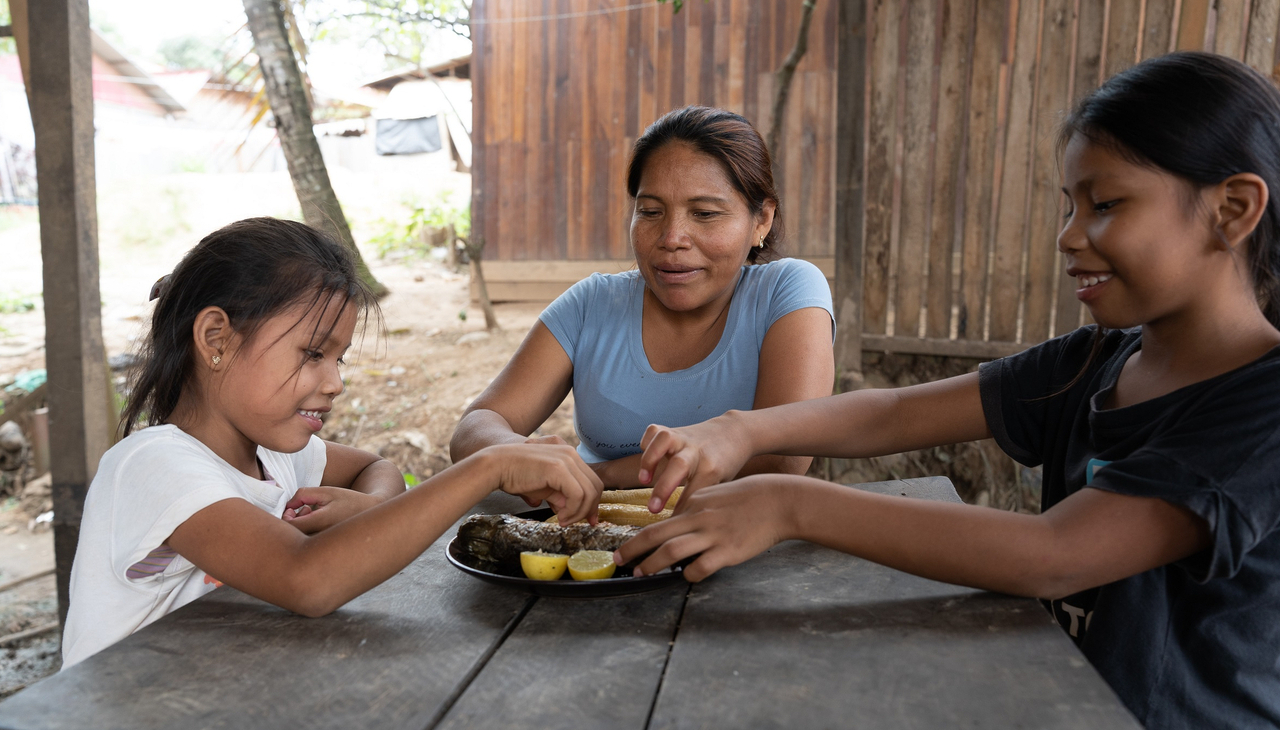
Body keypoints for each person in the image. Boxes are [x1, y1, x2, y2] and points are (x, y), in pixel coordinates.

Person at [616, 52, 1280, 728]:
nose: (1068, 235)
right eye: (1069, 205)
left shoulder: (1262, 408)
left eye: (1105, 204)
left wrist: (788, 503)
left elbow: (1053, 556)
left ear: (1232, 209)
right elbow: (895, 413)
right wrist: (742, 430)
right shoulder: (1097, 361)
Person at [62, 218, 601, 667]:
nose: (335, 382)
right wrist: (488, 467)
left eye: (337, 359)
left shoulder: (275, 458)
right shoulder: (154, 463)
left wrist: (371, 507)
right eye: (312, 354)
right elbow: (306, 579)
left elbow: (377, 466)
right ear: (215, 339)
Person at [450, 106, 835, 500]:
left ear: (762, 220)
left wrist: (600, 475)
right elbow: (476, 426)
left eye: (704, 213)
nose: (672, 237)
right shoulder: (592, 304)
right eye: (650, 211)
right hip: (590, 543)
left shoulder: (787, 292)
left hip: (732, 546)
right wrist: (518, 457)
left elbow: (781, 458)